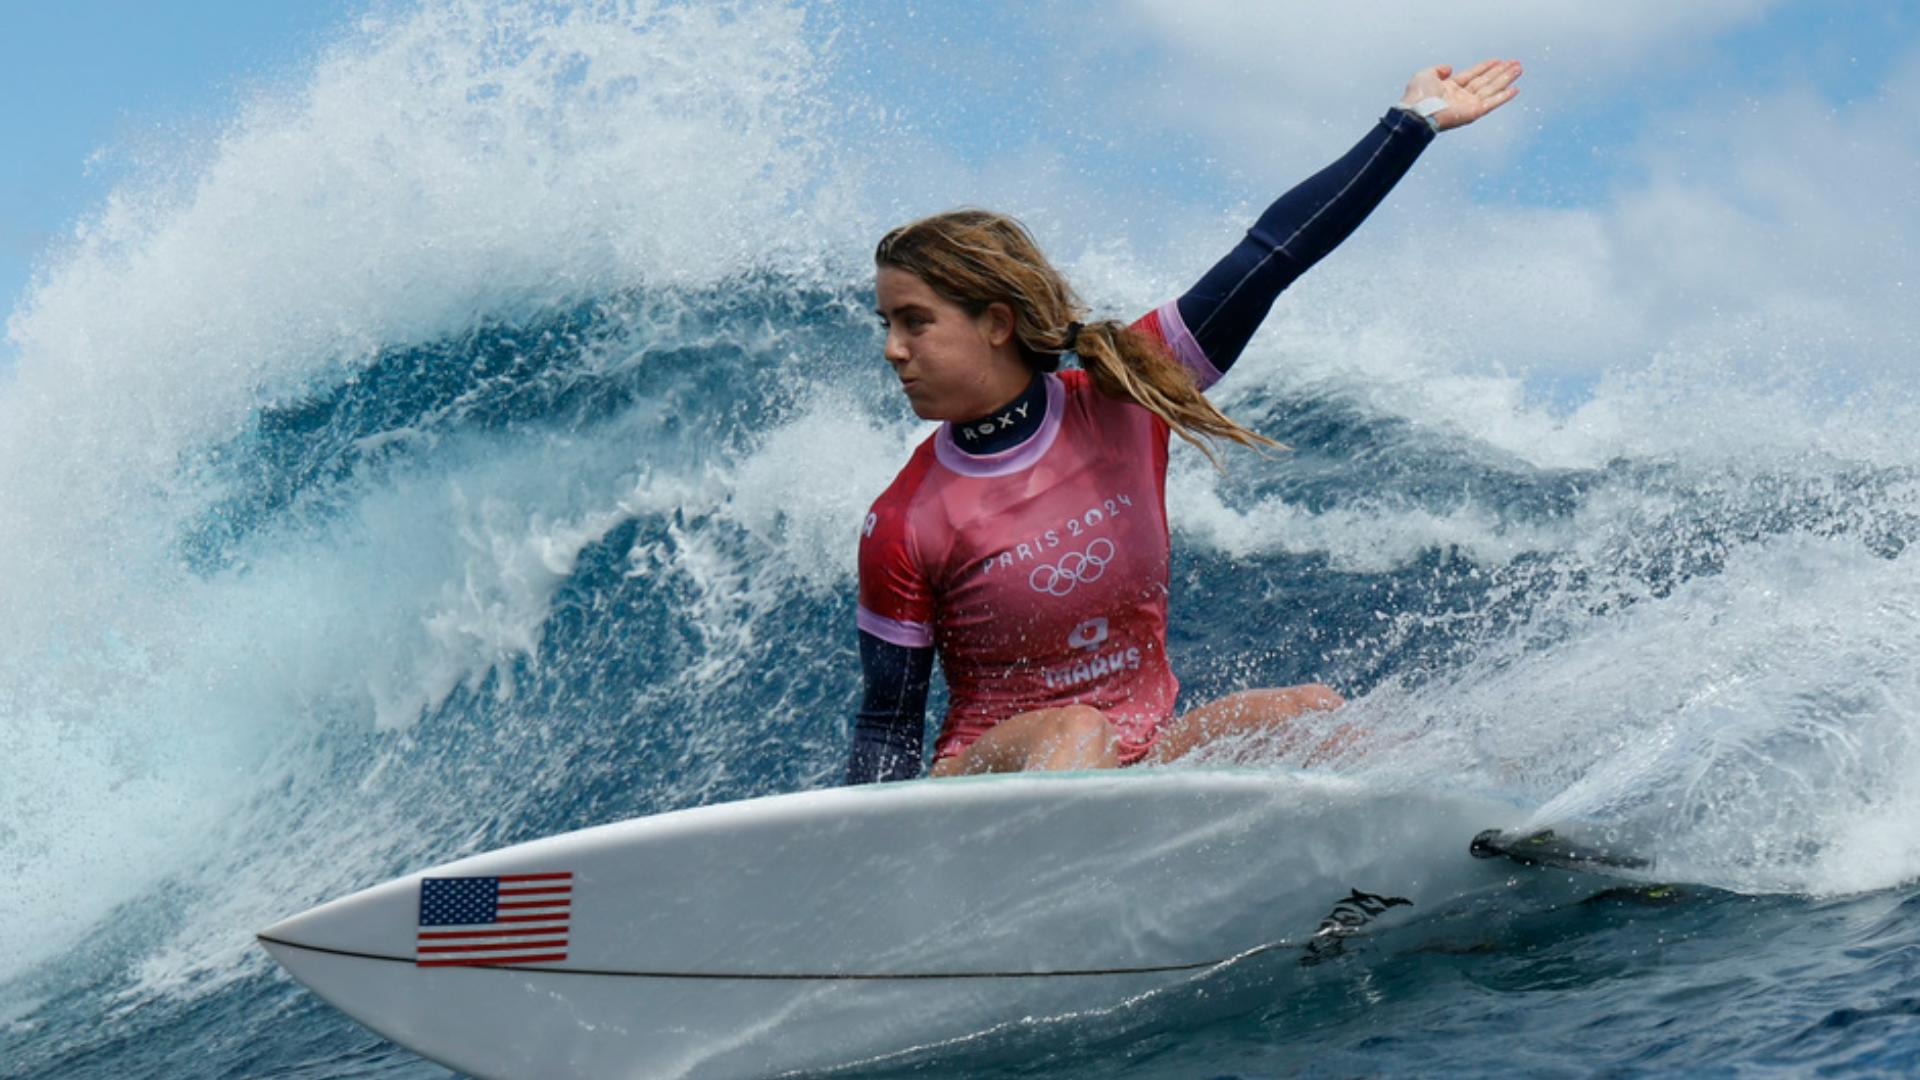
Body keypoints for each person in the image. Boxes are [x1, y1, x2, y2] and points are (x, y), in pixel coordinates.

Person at [846, 60, 1523, 785]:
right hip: (984, 793)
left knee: (1311, 712)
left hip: (1139, 770)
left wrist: (1409, 124)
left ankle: (1477, 838)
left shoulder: (1125, 396)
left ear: (997, 323)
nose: (893, 349)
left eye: (915, 322)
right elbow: (888, 727)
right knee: (1078, 733)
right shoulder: (907, 521)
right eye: (888, 323)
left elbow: (1270, 256)